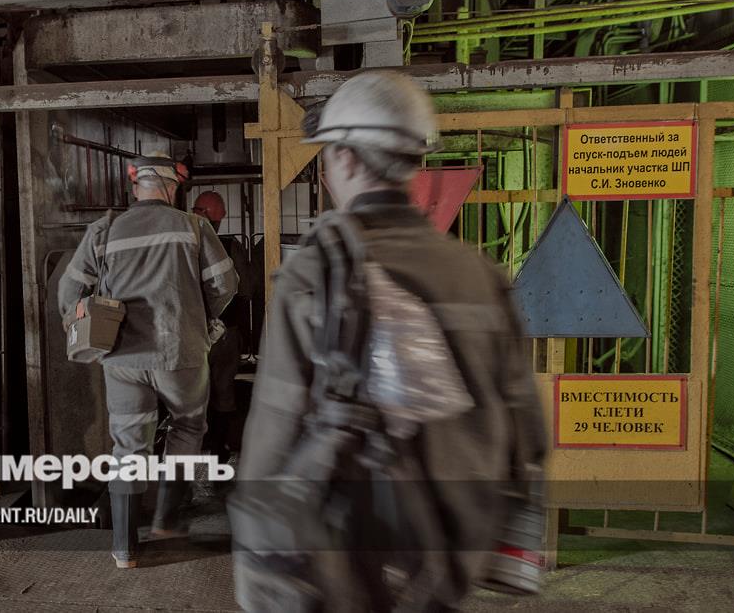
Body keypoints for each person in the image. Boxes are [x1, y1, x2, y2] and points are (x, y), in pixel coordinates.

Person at [230, 72, 547, 611]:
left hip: (346, 556)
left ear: (347, 159)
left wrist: (260, 567)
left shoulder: (317, 272)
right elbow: (525, 428)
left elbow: (275, 429)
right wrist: (512, 551)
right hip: (450, 554)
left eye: (328, 156)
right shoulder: (481, 276)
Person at [58, 155, 238, 569]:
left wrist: (88, 324)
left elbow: (69, 292)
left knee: (128, 445)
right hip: (181, 353)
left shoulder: (104, 230)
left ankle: (124, 548)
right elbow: (225, 283)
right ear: (172, 187)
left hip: (122, 355)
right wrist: (200, 317)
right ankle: (165, 521)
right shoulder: (194, 227)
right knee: (187, 427)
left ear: (135, 185)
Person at [191, 191, 257, 464]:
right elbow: (248, 289)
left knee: (191, 397)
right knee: (223, 392)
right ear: (219, 219)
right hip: (225, 333)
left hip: (189, 334)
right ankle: (219, 455)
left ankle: (195, 456)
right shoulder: (230, 247)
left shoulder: (180, 246)